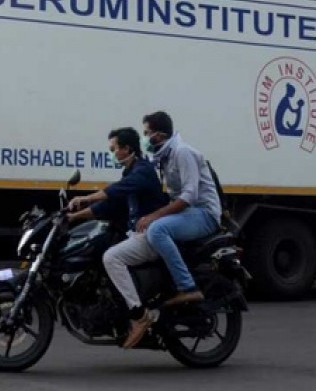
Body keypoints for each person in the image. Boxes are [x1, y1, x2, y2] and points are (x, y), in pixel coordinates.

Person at [66, 127, 168, 349]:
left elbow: (115, 191)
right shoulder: (130, 171)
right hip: (135, 233)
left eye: (113, 149)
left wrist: (84, 198)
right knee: (97, 247)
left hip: (150, 235)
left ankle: (139, 314)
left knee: (111, 257)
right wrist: (74, 217)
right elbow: (109, 206)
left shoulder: (142, 170)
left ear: (127, 149)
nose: (111, 153)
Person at [137, 111, 221, 308]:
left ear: (159, 135)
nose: (145, 138)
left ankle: (188, 287)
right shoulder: (164, 156)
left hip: (204, 214)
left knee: (157, 229)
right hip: (188, 213)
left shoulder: (182, 152)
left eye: (146, 132)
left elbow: (189, 196)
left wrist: (153, 216)